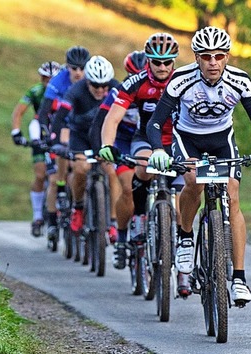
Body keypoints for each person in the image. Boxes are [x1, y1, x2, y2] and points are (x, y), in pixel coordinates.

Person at [146, 26, 251, 305]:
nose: (213, 62)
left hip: (223, 139)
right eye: (207, 56)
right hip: (188, 138)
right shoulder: (180, 79)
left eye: (219, 56)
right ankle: (186, 237)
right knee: (192, 182)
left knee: (233, 197)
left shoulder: (241, 80)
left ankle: (239, 277)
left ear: (227, 57)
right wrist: (157, 150)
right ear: (197, 58)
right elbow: (155, 122)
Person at [98, 33, 182, 274]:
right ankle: (134, 222)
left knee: (187, 194)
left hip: (177, 141)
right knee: (143, 170)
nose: (163, 67)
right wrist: (107, 145)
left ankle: (184, 249)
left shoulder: (184, 80)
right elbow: (112, 117)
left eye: (168, 62)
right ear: (148, 61)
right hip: (145, 138)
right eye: (157, 62)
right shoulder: (135, 83)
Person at [90, 50, 148, 266]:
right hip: (123, 142)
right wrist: (101, 149)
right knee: (127, 187)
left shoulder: (161, 90)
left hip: (148, 141)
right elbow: (100, 123)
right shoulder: (118, 92)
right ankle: (122, 235)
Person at [52, 55, 119, 238]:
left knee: (111, 172)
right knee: (81, 168)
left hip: (103, 135)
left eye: (104, 85)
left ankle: (113, 221)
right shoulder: (76, 90)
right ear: (87, 81)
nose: (100, 90)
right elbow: (59, 117)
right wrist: (55, 141)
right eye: (95, 86)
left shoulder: (115, 87)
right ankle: (79, 207)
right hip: (80, 135)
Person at [36, 46, 90, 241]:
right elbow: (44, 111)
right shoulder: (58, 81)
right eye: (74, 68)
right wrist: (45, 132)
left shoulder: (92, 80)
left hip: (83, 126)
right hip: (62, 124)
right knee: (57, 165)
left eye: (82, 68)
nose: (78, 73)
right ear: (67, 67)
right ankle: (53, 213)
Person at [11, 60, 61, 237]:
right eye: (45, 79)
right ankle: (38, 215)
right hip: (40, 129)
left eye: (52, 79)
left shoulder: (66, 91)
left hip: (61, 130)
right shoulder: (35, 92)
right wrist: (16, 132)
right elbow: (19, 112)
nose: (49, 83)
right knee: (40, 175)